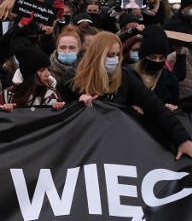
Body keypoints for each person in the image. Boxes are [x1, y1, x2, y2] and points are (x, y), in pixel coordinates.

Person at [58, 31, 192, 160]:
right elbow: (60, 119)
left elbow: (155, 106)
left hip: (116, 143)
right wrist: (77, 105)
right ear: (96, 55)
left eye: (117, 55)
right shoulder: (71, 79)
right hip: (85, 146)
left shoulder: (125, 76)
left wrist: (182, 139)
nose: (114, 60)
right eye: (110, 55)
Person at [0, 45, 65, 111]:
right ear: (30, 73)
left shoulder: (52, 95)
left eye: (47, 69)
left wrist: (57, 108)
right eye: (42, 70)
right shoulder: (8, 95)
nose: (48, 74)